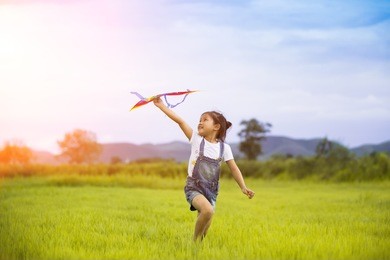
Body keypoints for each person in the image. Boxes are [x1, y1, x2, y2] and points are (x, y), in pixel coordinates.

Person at [153, 97, 255, 242]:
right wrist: (161, 106)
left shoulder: (224, 148)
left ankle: (198, 248)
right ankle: (193, 243)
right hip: (194, 187)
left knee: (205, 226)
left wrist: (243, 187)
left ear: (216, 127)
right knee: (207, 211)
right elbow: (180, 121)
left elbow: (234, 168)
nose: (200, 122)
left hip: (211, 191)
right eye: (199, 119)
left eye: (205, 119)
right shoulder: (196, 139)